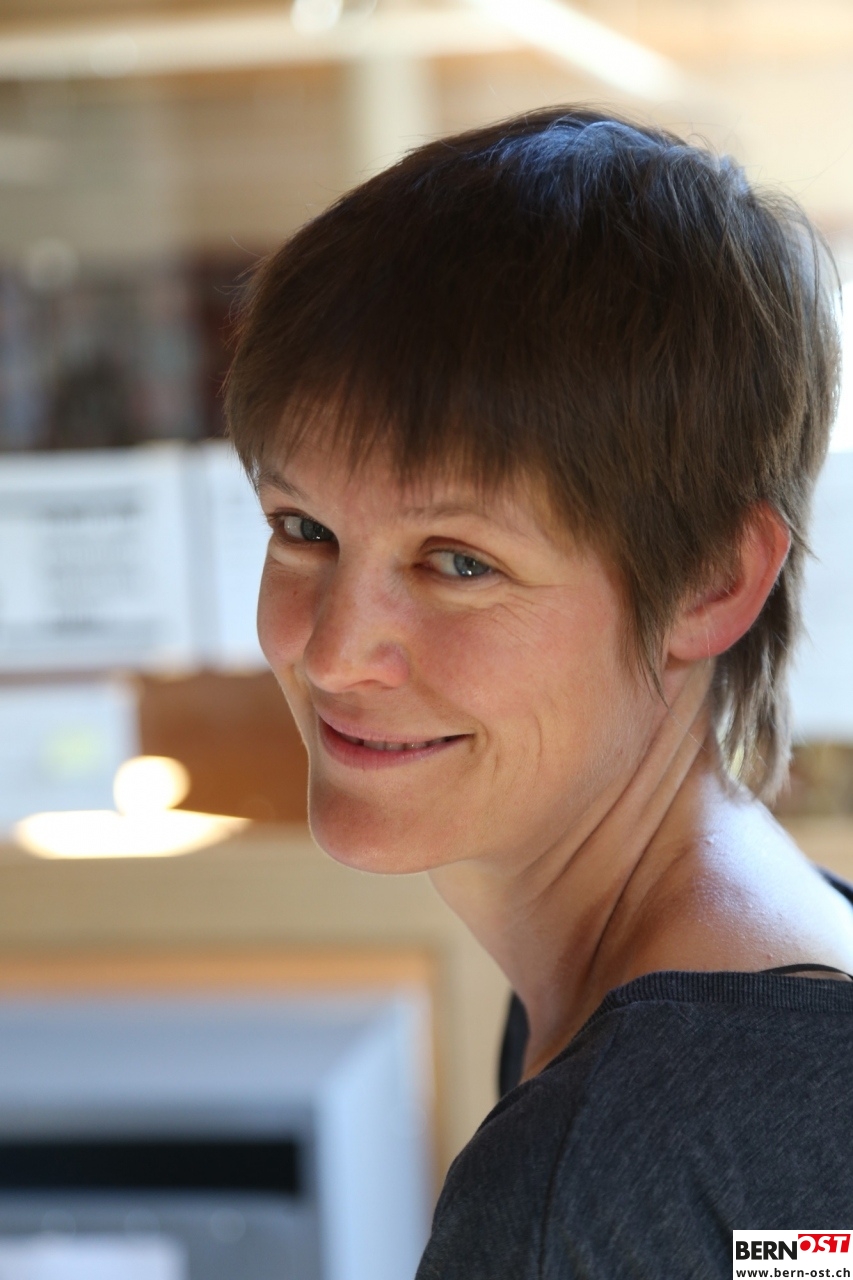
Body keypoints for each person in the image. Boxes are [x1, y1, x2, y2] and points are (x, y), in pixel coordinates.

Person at [225, 107, 853, 1277]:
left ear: (711, 580)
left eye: (459, 562)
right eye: (302, 527)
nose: (335, 650)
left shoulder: (598, 1167)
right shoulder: (782, 973)